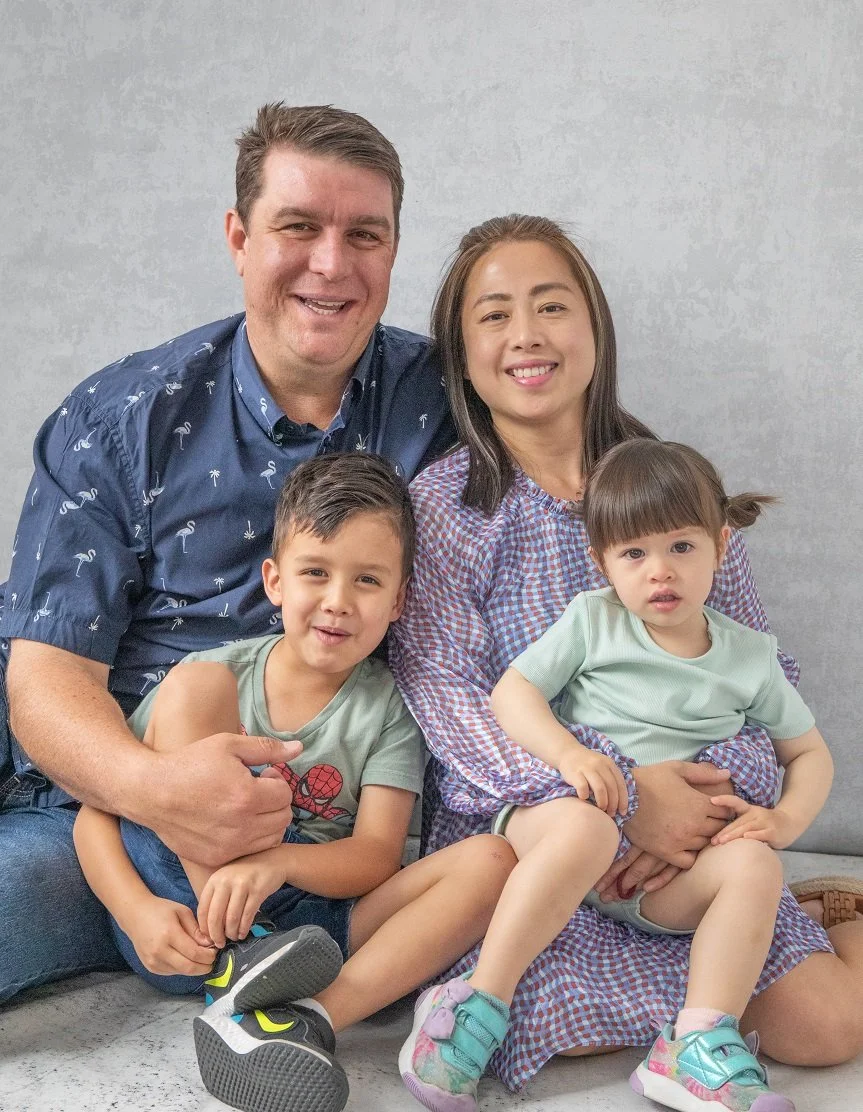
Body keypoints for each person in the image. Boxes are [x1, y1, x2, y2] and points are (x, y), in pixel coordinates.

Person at [389, 214, 863, 1098]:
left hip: (694, 833)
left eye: (550, 306)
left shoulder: (665, 485)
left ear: (594, 329)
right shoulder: (449, 507)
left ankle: (795, 941)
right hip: (540, 831)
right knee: (547, 1028)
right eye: (493, 316)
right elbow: (448, 699)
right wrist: (619, 795)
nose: (525, 335)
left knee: (827, 1028)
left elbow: (759, 671)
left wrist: (707, 802)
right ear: (460, 354)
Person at [0, 102, 455, 1006]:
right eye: (298, 227)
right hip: (112, 799)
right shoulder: (124, 418)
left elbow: (620, 504)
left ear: (394, 251)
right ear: (240, 239)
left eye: (364, 235)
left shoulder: (450, 405)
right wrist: (155, 788)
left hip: (316, 827)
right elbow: (45, 681)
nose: (331, 263)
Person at [72, 452, 514, 1112]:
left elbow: (375, 856)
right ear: (275, 580)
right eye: (316, 573)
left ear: (399, 600)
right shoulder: (216, 675)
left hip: (313, 927)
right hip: (185, 919)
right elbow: (97, 814)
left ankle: (305, 1018)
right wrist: (136, 913)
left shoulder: (390, 709)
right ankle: (241, 959)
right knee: (194, 687)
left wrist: (277, 864)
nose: (338, 601)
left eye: (367, 580)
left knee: (494, 859)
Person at [400, 438, 832, 1112]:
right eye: (634, 554)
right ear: (601, 561)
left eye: (681, 547)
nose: (660, 571)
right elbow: (513, 695)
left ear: (721, 546)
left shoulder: (749, 658)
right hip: (565, 838)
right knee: (585, 828)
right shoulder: (592, 621)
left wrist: (782, 820)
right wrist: (570, 755)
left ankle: (693, 1043)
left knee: (754, 865)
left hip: (662, 876)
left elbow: (807, 754)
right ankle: (475, 1003)